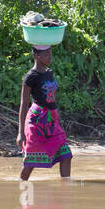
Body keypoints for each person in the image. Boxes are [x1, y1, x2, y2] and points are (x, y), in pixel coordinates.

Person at [17, 44, 72, 180]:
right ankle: (21, 186)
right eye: (46, 54)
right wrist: (20, 133)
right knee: (31, 161)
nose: (49, 57)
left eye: (50, 54)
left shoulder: (49, 72)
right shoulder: (30, 77)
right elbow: (24, 104)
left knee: (66, 155)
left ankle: (65, 188)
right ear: (36, 56)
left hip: (51, 120)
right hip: (37, 121)